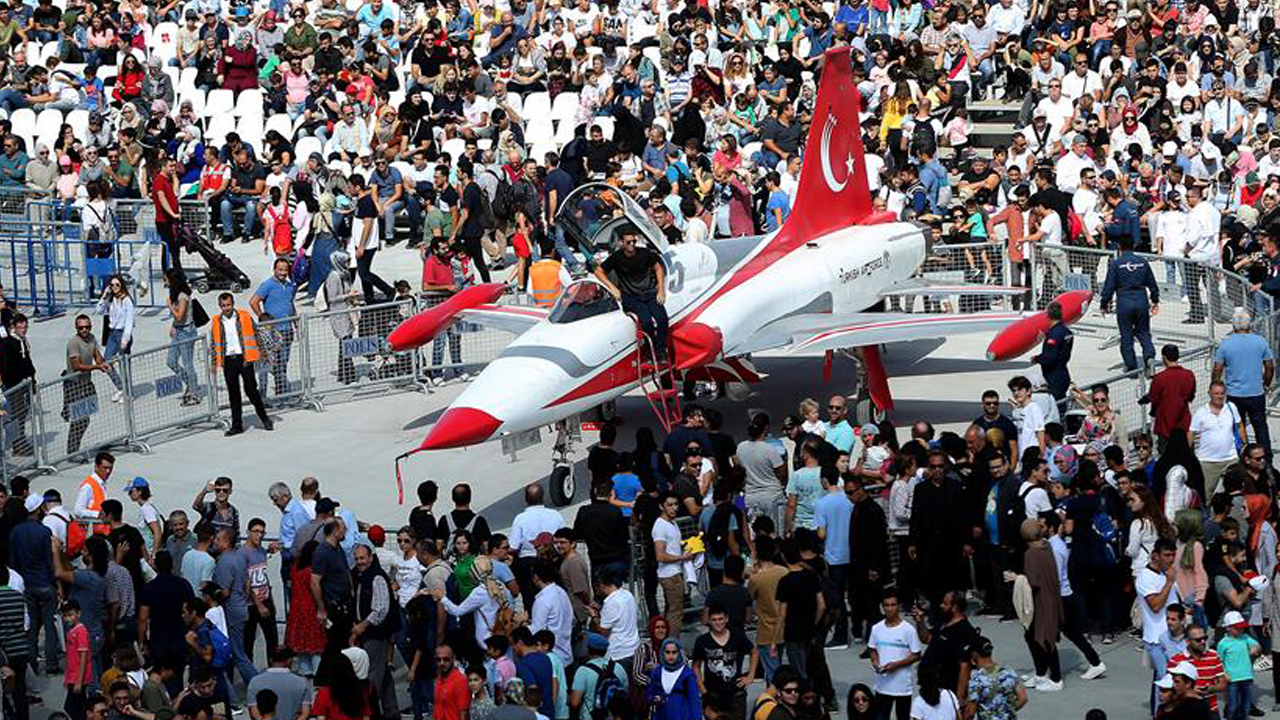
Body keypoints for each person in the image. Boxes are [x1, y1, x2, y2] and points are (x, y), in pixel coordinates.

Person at [593, 225, 668, 360]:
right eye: (628, 242)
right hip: (631, 296)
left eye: (634, 241)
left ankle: (660, 349)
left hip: (649, 292)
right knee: (646, 322)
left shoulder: (645, 253)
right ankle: (650, 350)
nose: (632, 245)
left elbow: (658, 267)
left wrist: (660, 289)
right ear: (621, 243)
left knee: (662, 319)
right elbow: (598, 271)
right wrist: (612, 288)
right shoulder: (616, 257)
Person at [1212, 308, 1274, 461]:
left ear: (1233, 325)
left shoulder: (1225, 343)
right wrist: (1266, 384)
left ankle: (1241, 457)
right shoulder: (1260, 341)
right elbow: (1270, 366)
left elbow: (1217, 369)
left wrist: (1216, 387)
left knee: (1236, 428)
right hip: (1256, 393)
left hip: (1234, 395)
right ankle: (1266, 459)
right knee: (1260, 427)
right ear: (1249, 325)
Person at [209, 293, 273, 435]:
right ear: (220, 306)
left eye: (229, 305)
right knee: (233, 394)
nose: (227, 308)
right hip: (228, 361)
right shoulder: (216, 321)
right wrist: (214, 363)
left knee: (251, 390)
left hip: (244, 358)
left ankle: (264, 418)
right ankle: (237, 425)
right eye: (224, 306)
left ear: (233, 303)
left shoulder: (244, 316)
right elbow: (214, 343)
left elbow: (256, 334)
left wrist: (262, 352)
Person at [1099, 235, 1159, 372]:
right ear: (1134, 246)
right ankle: (1149, 357)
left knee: (1126, 335)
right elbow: (1152, 284)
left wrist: (1103, 304)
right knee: (1144, 333)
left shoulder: (1116, 264)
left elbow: (1108, 287)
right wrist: (1155, 300)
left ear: (1119, 247)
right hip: (1141, 300)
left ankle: (1131, 366)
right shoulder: (1143, 262)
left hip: (1124, 302)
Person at [868, 588, 922, 720]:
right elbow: (872, 650)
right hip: (882, 687)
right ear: (882, 607)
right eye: (886, 605)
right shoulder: (876, 628)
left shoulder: (908, 630)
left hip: (902, 688)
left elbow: (916, 655)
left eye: (893, 605)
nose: (890, 609)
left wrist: (896, 665)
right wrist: (875, 663)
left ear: (899, 607)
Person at [643, 639, 701, 720]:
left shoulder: (686, 673)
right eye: (667, 652)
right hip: (661, 715)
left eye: (674, 652)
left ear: (679, 653)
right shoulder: (657, 672)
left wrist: (695, 717)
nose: (671, 655)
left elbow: (694, 699)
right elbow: (649, 695)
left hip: (682, 716)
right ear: (662, 653)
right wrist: (655, 698)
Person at [1030, 300, 1073, 400]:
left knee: (1056, 405)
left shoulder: (1053, 335)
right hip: (1063, 372)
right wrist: (1046, 337)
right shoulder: (1066, 332)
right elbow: (1059, 347)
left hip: (1054, 377)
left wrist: (1036, 359)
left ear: (1048, 315)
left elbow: (1050, 358)